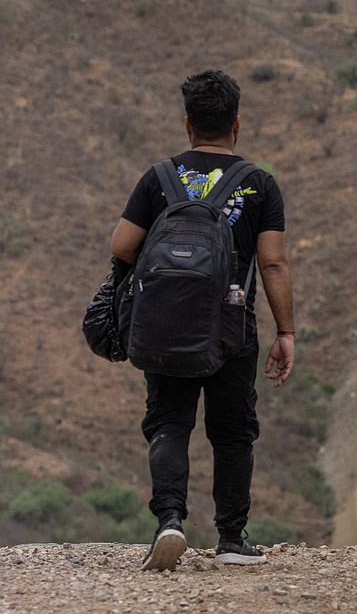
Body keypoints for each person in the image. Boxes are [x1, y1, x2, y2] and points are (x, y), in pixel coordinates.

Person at [110, 70, 295, 571]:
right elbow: (273, 262)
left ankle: (170, 520)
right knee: (233, 432)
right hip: (232, 328)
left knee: (169, 422)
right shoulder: (259, 185)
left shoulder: (158, 178)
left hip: (167, 324)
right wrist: (285, 331)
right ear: (236, 123)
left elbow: (122, 247)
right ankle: (232, 538)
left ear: (187, 123)